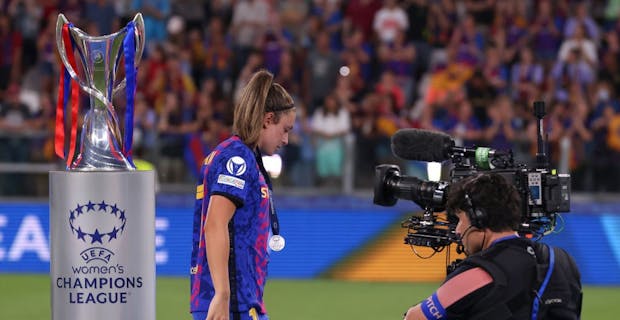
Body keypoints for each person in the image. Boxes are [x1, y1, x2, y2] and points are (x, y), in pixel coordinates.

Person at [190, 69, 296, 320]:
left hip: (245, 301)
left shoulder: (245, 157)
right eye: (285, 129)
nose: (287, 139)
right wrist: (222, 295)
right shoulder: (236, 159)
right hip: (233, 305)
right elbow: (215, 224)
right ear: (267, 119)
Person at [403, 173, 582, 320]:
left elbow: (415, 318)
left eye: (460, 219)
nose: (457, 230)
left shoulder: (478, 273)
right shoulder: (562, 261)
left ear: (479, 218)